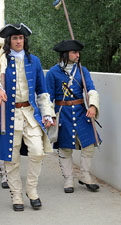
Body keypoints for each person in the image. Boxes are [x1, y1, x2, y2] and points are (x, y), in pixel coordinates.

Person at [0, 23, 55, 211]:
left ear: (25, 40)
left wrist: (47, 113)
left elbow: (42, 90)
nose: (19, 41)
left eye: (21, 38)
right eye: (15, 38)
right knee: (11, 157)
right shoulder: (0, 60)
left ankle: (31, 190)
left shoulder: (35, 61)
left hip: (29, 113)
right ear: (9, 41)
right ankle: (16, 195)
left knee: (37, 151)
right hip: (8, 114)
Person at [46, 40, 101, 193]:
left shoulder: (82, 71)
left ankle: (85, 175)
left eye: (78, 52)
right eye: (74, 52)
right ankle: (68, 179)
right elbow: (47, 97)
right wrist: (50, 116)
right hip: (62, 113)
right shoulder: (52, 73)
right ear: (66, 54)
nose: (78, 55)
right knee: (64, 148)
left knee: (89, 144)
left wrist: (92, 106)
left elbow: (91, 89)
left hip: (80, 111)